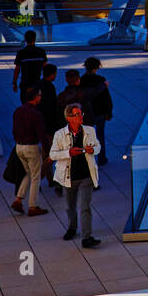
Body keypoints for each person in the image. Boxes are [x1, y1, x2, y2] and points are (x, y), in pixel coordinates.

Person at [50, 104, 101, 248]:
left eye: (81, 114)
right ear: (68, 118)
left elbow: (98, 146)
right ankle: (72, 228)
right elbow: (52, 154)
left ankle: (87, 237)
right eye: (77, 114)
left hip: (86, 176)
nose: (80, 117)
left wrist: (93, 150)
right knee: (69, 206)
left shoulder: (90, 130)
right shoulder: (60, 134)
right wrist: (68, 153)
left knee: (85, 206)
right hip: (69, 177)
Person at [10, 87, 49, 216]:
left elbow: (14, 129)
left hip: (19, 146)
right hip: (31, 146)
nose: (41, 97)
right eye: (40, 95)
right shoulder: (36, 114)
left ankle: (19, 199)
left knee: (28, 173)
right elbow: (41, 134)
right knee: (36, 176)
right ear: (36, 97)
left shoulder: (18, 111)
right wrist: (47, 150)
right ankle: (33, 206)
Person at [79, 57, 112, 165]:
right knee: (100, 135)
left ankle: (87, 157)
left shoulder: (81, 80)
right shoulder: (101, 80)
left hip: (86, 112)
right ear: (97, 67)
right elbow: (106, 98)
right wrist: (108, 111)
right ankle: (102, 157)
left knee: (86, 136)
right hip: (100, 111)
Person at [37, 64, 60, 194]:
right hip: (49, 126)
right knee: (50, 154)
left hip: (42, 124)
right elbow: (51, 108)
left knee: (46, 152)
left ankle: (50, 179)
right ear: (51, 74)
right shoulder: (49, 88)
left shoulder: (39, 85)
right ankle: (38, 178)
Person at [12, 30, 48, 102]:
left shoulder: (21, 53)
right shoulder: (41, 52)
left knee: (26, 105)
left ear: (25, 39)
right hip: (37, 83)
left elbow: (17, 69)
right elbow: (45, 68)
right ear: (34, 39)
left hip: (25, 84)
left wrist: (14, 82)